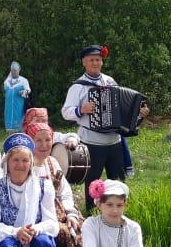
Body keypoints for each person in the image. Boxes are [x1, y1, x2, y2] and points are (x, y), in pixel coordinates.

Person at [62, 44, 148, 211]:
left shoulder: (110, 81)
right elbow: (65, 112)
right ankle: (91, 212)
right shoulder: (78, 86)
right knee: (93, 181)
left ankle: (118, 210)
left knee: (117, 179)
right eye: (91, 60)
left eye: (98, 60)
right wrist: (81, 110)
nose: (95, 63)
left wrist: (139, 113)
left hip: (114, 140)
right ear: (84, 63)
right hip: (91, 141)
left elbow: (123, 109)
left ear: (102, 62)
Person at [28, 121, 84, 247]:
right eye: (38, 140)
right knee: (62, 232)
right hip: (36, 213)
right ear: (30, 141)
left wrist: (70, 213)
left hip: (58, 209)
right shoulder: (24, 163)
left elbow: (64, 192)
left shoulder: (52, 162)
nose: (44, 145)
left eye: (48, 140)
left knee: (80, 226)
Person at [3, 62, 31, 131]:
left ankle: (19, 132)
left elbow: (28, 90)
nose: (14, 72)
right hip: (8, 106)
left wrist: (23, 92)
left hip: (19, 105)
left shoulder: (23, 80)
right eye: (12, 70)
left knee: (19, 122)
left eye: (15, 70)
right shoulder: (7, 81)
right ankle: (10, 134)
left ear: (19, 70)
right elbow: (5, 87)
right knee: (9, 125)